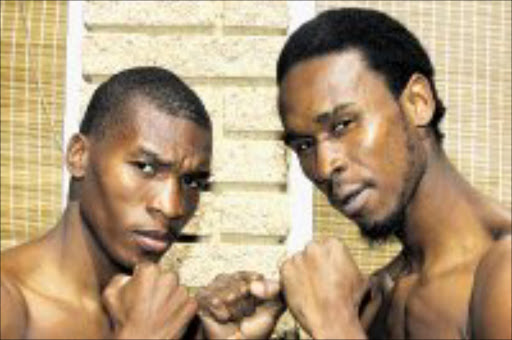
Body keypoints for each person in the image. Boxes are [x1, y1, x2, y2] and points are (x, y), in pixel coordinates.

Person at [197, 8, 511, 339]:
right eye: (304, 145)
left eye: (343, 125)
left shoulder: (502, 271)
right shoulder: (376, 298)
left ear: (418, 102)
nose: (323, 166)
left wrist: (334, 324)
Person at [0, 66, 250, 339]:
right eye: (145, 167)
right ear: (79, 156)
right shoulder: (10, 301)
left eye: (192, 182)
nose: (173, 207)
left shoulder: (168, 317)